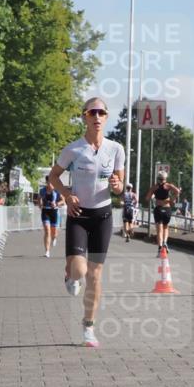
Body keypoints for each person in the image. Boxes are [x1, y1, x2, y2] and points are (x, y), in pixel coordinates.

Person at [48, 97, 125, 348]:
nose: (97, 116)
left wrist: (117, 186)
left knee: (94, 274)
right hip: (78, 215)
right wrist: (67, 195)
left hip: (102, 216)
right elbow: (54, 176)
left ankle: (88, 327)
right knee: (80, 271)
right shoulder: (73, 149)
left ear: (106, 116)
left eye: (102, 112)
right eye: (93, 112)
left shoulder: (116, 149)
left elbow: (120, 185)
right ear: (84, 116)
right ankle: (71, 273)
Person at [145, 171, 181, 253]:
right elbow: (178, 191)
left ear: (158, 178)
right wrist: (172, 198)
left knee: (159, 230)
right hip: (167, 209)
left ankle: (160, 247)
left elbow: (147, 198)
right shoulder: (168, 186)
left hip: (158, 209)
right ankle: (165, 242)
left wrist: (153, 197)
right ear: (165, 178)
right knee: (166, 227)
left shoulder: (154, 187)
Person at [36, 179, 65, 257]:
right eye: (49, 182)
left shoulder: (57, 191)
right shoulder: (42, 191)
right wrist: (40, 204)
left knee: (54, 232)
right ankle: (47, 251)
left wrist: (56, 203)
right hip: (45, 211)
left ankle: (54, 238)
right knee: (47, 231)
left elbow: (63, 201)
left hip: (54, 212)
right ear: (47, 183)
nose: (50, 184)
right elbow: (39, 198)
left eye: (52, 182)